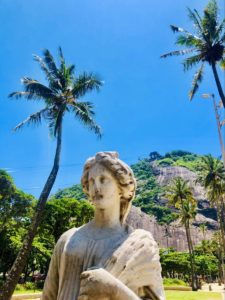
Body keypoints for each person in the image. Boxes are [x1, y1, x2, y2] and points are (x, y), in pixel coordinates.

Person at [41, 152, 165, 300]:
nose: (96, 187)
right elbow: (48, 296)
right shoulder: (67, 239)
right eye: (91, 181)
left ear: (121, 188)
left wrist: (114, 290)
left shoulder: (141, 245)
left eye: (103, 179)